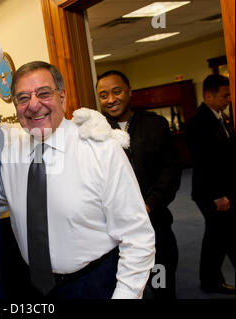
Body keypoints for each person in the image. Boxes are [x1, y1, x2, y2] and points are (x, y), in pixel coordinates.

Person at [0, 61, 156, 299]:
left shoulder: (102, 150)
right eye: (22, 98)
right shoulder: (10, 157)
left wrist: (125, 294)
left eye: (43, 93)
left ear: (62, 98)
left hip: (97, 283)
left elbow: (137, 236)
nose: (33, 105)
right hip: (33, 286)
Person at [96, 70, 182, 299]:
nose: (111, 100)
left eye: (117, 92)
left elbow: (170, 172)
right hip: (113, 233)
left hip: (156, 226)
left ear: (130, 91)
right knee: (125, 288)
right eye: (103, 95)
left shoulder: (156, 125)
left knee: (161, 284)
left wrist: (149, 204)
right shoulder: (95, 133)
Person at [185, 74, 235, 295]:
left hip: (223, 189)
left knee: (221, 234)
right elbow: (204, 162)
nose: (229, 99)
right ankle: (210, 281)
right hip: (210, 193)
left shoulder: (220, 117)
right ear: (208, 95)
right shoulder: (198, 122)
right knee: (218, 235)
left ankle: (210, 280)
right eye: (225, 95)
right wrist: (217, 195)